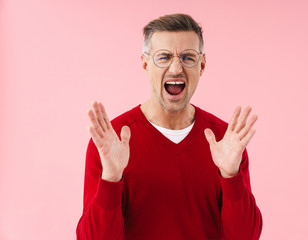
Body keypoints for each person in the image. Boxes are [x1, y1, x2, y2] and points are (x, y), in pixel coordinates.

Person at [76, 13, 262, 240]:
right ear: (145, 64)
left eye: (188, 57)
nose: (176, 68)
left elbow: (246, 237)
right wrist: (112, 177)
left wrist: (231, 175)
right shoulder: (110, 142)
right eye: (163, 57)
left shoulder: (226, 140)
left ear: (201, 65)